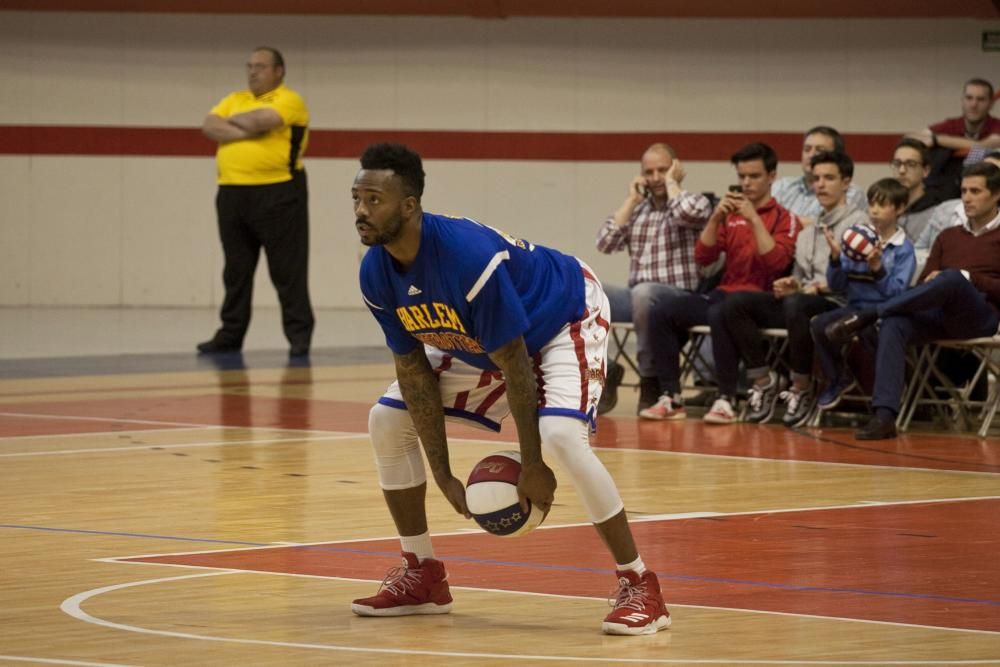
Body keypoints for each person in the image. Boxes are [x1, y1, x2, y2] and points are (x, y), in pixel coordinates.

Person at [351, 143, 669, 636]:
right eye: (357, 199)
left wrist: (534, 463)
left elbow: (517, 366)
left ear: (409, 205)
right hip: (488, 344)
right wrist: (443, 474)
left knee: (562, 437)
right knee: (386, 418)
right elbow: (414, 374)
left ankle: (641, 584)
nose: (361, 211)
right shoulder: (375, 272)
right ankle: (422, 573)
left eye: (374, 200)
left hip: (563, 317)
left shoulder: (466, 258)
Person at [824, 162, 1000, 439]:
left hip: (982, 315)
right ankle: (884, 416)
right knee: (895, 322)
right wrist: (937, 281)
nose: (966, 197)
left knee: (953, 278)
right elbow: (924, 284)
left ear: (996, 194)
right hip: (940, 312)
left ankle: (871, 314)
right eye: (964, 190)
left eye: (975, 191)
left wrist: (967, 277)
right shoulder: (948, 235)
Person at [641, 143, 798, 424]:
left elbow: (775, 262)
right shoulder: (730, 214)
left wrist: (753, 218)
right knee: (663, 311)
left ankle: (725, 398)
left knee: (721, 312)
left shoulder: (786, 218)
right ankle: (670, 396)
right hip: (725, 293)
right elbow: (703, 256)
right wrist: (715, 218)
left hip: (764, 300)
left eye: (754, 176)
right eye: (742, 176)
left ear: (772, 176)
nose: (746, 183)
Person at [719, 150, 866, 427]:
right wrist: (793, 283)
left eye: (829, 178)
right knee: (736, 303)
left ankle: (801, 386)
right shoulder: (808, 229)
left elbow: (858, 278)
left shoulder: (858, 224)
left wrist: (814, 288)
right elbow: (799, 276)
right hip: (802, 301)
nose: (820, 184)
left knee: (796, 304)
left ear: (846, 182)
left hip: (840, 304)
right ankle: (763, 380)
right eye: (816, 178)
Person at [197, 47, 314, 357]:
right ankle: (230, 334)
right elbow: (209, 125)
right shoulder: (235, 98)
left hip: (279, 193)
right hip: (232, 193)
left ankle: (298, 337)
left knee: (288, 271)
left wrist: (232, 125)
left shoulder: (289, 99)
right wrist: (246, 124)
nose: (252, 71)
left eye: (260, 66)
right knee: (235, 269)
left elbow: (266, 119)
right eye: (249, 66)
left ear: (278, 71)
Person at [595, 143, 712, 414]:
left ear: (676, 168)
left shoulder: (694, 200)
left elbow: (689, 214)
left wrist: (673, 184)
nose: (656, 177)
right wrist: (630, 200)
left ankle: (649, 380)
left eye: (663, 170)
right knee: (586, 289)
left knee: (645, 294)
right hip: (638, 295)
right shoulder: (638, 210)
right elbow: (604, 243)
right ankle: (605, 367)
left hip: (680, 296)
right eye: (650, 172)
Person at [810, 179, 916, 412]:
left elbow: (897, 293)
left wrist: (878, 268)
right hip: (855, 307)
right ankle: (839, 378)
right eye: (872, 204)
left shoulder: (903, 249)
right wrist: (836, 259)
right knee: (820, 325)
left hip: (883, 310)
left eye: (883, 205)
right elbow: (837, 286)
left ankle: (892, 385)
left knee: (865, 330)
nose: (875, 210)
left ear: (899, 209)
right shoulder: (857, 241)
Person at [909, 78, 1000, 201]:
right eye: (969, 98)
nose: (974, 104)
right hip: (949, 193)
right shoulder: (952, 125)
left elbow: (983, 146)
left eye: (981, 99)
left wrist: (937, 140)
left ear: (991, 104)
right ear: (962, 101)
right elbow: (911, 139)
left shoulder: (996, 126)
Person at [771, 126, 866, 225]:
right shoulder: (782, 186)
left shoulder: (852, 192)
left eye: (819, 150)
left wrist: (784, 223)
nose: (811, 155)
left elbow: (836, 226)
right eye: (807, 149)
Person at [891, 138, 944, 244]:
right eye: (897, 163)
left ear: (926, 171)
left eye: (911, 164)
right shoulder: (884, 206)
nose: (902, 170)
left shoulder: (937, 214)